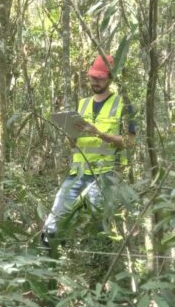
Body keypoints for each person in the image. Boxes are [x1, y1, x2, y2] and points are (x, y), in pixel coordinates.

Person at [42, 54, 136, 245]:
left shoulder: (124, 105)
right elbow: (73, 144)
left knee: (97, 222)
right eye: (93, 77)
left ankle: (97, 262)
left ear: (110, 78)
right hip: (78, 171)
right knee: (54, 218)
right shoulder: (83, 104)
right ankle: (52, 253)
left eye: (100, 78)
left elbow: (129, 142)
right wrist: (70, 134)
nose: (95, 81)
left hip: (106, 174)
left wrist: (99, 133)